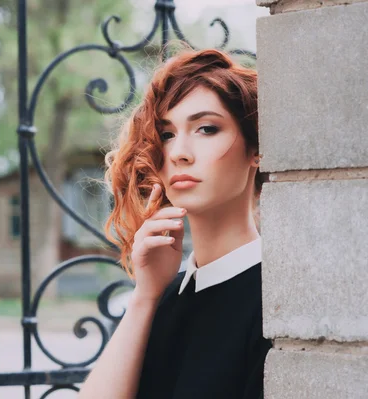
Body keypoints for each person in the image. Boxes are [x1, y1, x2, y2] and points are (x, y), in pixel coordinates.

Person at [77, 47, 272, 398]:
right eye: (166, 134)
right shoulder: (163, 297)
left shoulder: (276, 299)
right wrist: (145, 296)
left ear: (255, 149)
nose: (179, 152)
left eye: (206, 128)